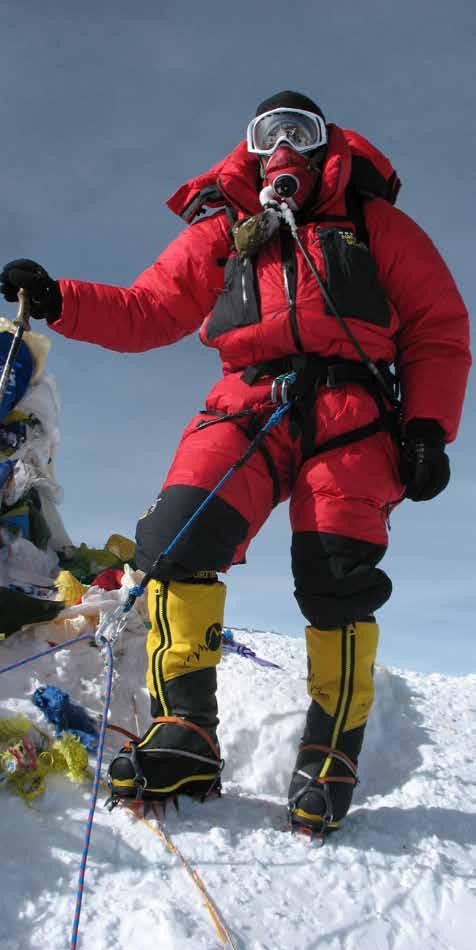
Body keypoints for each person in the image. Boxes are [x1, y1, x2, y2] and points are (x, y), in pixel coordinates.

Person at [1, 91, 470, 834]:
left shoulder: (374, 223)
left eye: (300, 131)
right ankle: (185, 734)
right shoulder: (226, 229)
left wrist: (427, 429)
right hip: (248, 402)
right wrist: (61, 299)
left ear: (326, 146)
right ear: (250, 150)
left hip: (351, 413)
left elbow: (436, 326)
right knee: (172, 542)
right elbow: (148, 309)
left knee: (337, 576)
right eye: (269, 133)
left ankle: (330, 754)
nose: (284, 146)